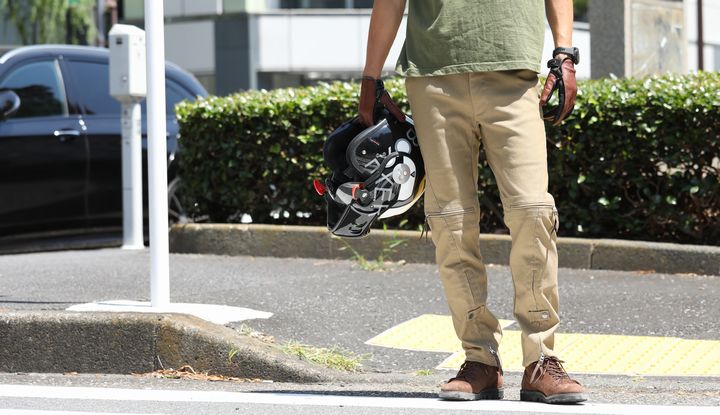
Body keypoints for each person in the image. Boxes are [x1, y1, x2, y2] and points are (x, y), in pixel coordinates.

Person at [358, 0, 585, 405]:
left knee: (534, 211)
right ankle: (480, 360)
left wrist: (564, 52)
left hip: (514, 75)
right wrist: (370, 77)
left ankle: (541, 360)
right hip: (433, 76)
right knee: (450, 218)